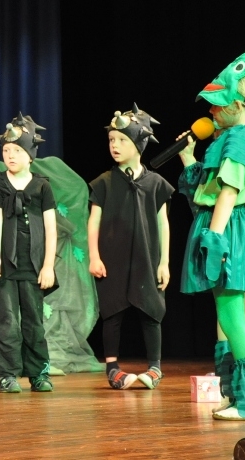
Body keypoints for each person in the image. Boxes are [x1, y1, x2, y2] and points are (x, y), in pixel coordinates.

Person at [177, 52, 245, 421]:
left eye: (217, 104)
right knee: (231, 312)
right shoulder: (242, 137)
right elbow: (208, 191)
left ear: (237, 104)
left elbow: (228, 191)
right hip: (231, 226)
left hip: (230, 229)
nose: (211, 112)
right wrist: (188, 156)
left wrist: (215, 237)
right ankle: (243, 394)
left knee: (230, 311)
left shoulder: (242, 139)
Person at [87, 104, 174, 390]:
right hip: (113, 258)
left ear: (138, 144)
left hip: (146, 258)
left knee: (151, 310)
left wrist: (164, 262)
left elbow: (163, 224)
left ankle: (155, 367)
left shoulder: (156, 183)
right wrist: (94, 256)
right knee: (112, 312)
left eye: (122, 140)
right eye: (111, 140)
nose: (114, 145)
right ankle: (112, 367)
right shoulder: (104, 183)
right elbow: (93, 222)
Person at [0, 113, 57, 393]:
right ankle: (6, 374)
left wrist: (48, 265)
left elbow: (51, 228)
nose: (10, 155)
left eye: (16, 150)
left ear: (30, 155)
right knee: (6, 320)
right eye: (6, 150)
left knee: (33, 321)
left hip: (33, 264)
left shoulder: (42, 185)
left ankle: (39, 373)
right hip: (5, 263)